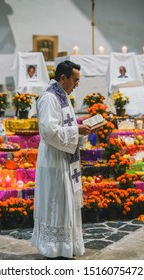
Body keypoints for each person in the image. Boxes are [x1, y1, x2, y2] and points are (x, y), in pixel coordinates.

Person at [31, 60, 94, 259]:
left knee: (65, 200)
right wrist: (77, 131)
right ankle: (53, 247)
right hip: (54, 159)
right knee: (56, 200)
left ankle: (65, 246)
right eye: (75, 80)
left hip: (65, 157)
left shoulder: (63, 96)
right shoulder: (50, 97)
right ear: (63, 78)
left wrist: (82, 131)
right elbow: (48, 132)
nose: (77, 84)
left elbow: (65, 126)